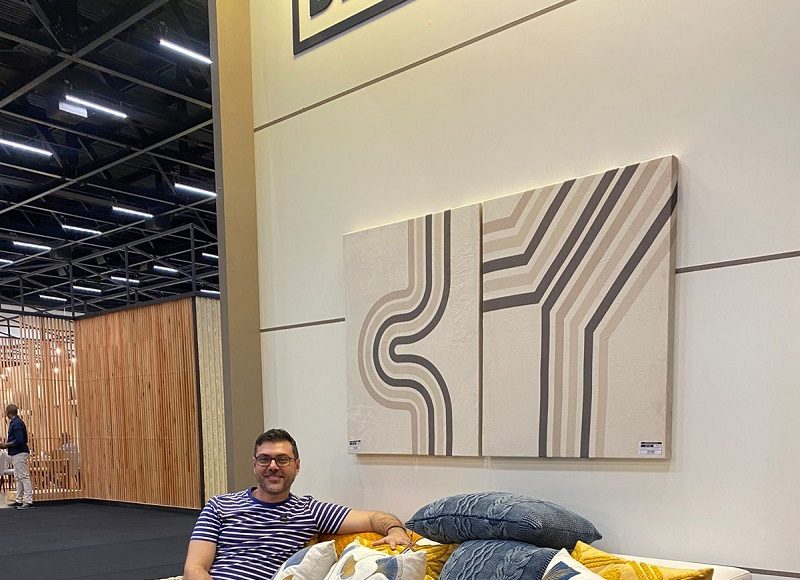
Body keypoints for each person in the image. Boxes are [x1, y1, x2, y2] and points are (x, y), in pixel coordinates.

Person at [184, 428, 412, 580]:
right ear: (254, 465)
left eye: (282, 459)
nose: (273, 466)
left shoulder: (310, 511)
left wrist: (395, 530)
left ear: (297, 466)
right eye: (264, 459)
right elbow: (194, 568)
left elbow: (374, 517)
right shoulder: (219, 506)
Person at [0, 404, 33, 509]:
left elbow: (20, 440)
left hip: (19, 452)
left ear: (8, 413)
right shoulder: (15, 422)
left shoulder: (17, 423)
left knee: (24, 476)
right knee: (18, 477)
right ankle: (19, 500)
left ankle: (28, 501)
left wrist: (6, 445)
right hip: (16, 453)